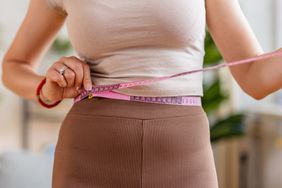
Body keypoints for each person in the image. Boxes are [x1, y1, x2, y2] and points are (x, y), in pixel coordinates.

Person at [1, 0, 281, 187]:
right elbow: (14, 66)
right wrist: (46, 87)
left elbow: (253, 76)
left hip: (183, 154)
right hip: (88, 153)